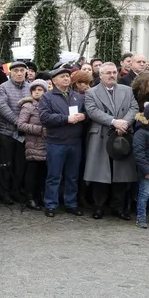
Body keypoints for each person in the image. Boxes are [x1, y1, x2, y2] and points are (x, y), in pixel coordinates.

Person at [83, 62, 139, 220]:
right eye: (108, 73)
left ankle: (118, 207)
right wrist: (114, 122)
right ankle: (99, 207)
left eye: (114, 72)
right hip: (101, 135)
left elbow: (134, 108)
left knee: (121, 174)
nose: (112, 75)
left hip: (123, 135)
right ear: (100, 75)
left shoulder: (127, 90)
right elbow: (93, 111)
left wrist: (125, 123)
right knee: (101, 174)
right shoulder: (91, 92)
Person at [39, 67, 87, 217]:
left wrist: (83, 116)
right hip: (56, 142)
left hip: (74, 141)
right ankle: (51, 204)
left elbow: (87, 113)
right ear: (54, 80)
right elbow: (45, 118)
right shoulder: (47, 97)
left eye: (67, 76)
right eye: (63, 76)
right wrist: (66, 119)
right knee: (54, 175)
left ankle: (71, 203)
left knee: (73, 176)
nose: (66, 78)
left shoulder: (78, 97)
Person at [0, 61, 31, 204]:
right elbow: (3, 108)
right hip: (7, 132)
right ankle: (3, 192)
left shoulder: (30, 87)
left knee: (20, 164)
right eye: (16, 70)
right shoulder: (4, 87)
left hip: (24, 134)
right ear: (10, 73)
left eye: (22, 70)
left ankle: (15, 191)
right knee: (6, 164)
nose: (19, 73)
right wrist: (19, 123)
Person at [18, 79, 48, 211]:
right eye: (34, 90)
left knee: (43, 173)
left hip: (46, 143)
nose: (37, 92)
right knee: (32, 171)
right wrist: (39, 130)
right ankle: (30, 198)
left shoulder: (48, 105)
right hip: (33, 143)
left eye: (40, 89)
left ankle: (40, 196)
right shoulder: (28, 106)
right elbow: (21, 124)